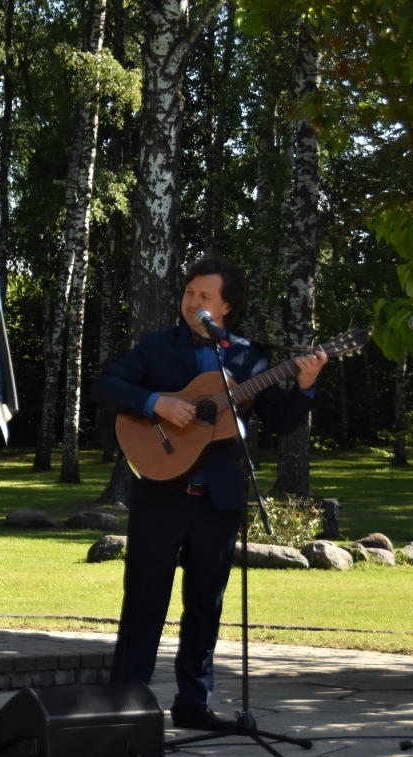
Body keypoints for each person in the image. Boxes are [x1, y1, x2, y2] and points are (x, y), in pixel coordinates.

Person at [92, 255, 327, 731]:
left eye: (204, 296)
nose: (191, 301)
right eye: (188, 292)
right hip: (160, 494)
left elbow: (280, 422)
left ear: (225, 307)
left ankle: (193, 704)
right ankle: (126, 705)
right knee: (144, 603)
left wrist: (304, 384)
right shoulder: (157, 347)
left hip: (218, 500)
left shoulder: (247, 358)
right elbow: (107, 385)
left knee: (206, 605)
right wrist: (158, 401)